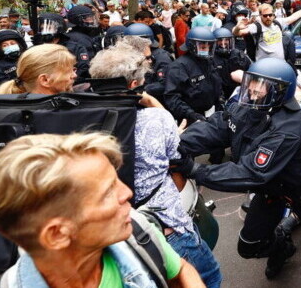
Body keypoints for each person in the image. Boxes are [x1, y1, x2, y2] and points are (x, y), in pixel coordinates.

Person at [173, 58, 301, 278]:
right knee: (249, 245)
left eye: (260, 86)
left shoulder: (289, 127)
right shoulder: (251, 108)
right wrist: (177, 145)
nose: (252, 90)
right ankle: (282, 246)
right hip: (271, 191)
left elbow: (250, 172)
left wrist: (195, 170)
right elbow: (217, 127)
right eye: (251, 83)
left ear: (280, 91)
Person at [0, 132, 204, 287]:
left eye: (117, 180)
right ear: (56, 234)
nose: (127, 194)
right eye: (107, 193)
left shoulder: (137, 232)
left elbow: (180, 270)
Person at [87, 42, 222, 287]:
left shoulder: (83, 123)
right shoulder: (155, 119)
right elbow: (175, 159)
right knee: (210, 277)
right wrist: (151, 104)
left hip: (108, 235)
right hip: (164, 230)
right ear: (134, 84)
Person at [164, 27, 223, 124]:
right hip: (190, 118)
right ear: (192, 46)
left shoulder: (208, 62)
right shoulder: (179, 67)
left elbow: (216, 83)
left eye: (209, 46)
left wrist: (220, 100)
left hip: (211, 114)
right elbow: (172, 97)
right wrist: (191, 115)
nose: (206, 50)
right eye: (203, 47)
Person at [233, 0, 301, 61]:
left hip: (280, 66)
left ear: (273, 14)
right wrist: (238, 27)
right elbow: (237, 33)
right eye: (265, 15)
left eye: (270, 15)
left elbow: (296, 15)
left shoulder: (279, 23)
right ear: (260, 15)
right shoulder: (256, 27)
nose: (268, 17)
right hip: (263, 68)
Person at [0, 44, 77, 95]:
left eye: (74, 70)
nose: (74, 75)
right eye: (68, 72)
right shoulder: (57, 117)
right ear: (45, 80)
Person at [34, 13, 92, 81]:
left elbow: (83, 68)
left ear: (58, 28)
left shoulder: (75, 48)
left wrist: (67, 80)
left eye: (49, 28)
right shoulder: (36, 48)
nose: (45, 31)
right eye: (42, 28)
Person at [125, 23, 173, 102]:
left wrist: (139, 89)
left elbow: (165, 83)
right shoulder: (129, 55)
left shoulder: (161, 57)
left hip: (155, 101)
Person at [211, 27, 251, 100]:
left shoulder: (239, 54)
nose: (223, 43)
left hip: (238, 93)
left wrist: (244, 78)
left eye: (226, 40)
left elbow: (251, 69)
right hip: (220, 94)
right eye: (220, 40)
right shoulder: (210, 58)